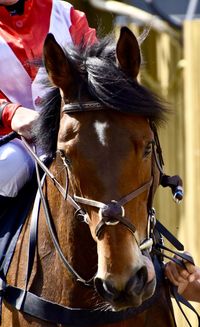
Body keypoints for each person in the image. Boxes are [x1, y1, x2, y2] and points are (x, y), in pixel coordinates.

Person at [0, 0, 96, 199]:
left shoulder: (65, 14)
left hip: (72, 133)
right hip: (10, 142)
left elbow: (99, 73)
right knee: (7, 166)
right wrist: (9, 112)